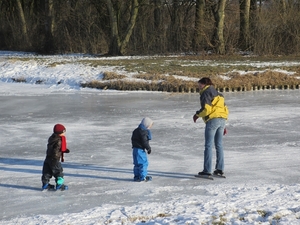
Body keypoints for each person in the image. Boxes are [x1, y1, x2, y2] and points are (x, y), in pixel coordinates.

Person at [193, 77, 229, 177]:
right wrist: (223, 125)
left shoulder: (206, 92)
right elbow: (225, 109)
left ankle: (207, 171)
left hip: (213, 120)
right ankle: (219, 169)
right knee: (219, 145)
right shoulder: (219, 94)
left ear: (205, 84)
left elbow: (207, 110)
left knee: (208, 145)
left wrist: (197, 114)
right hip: (222, 120)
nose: (199, 87)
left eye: (200, 85)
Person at [41, 124, 70, 190]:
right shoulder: (59, 140)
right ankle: (59, 185)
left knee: (47, 172)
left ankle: (45, 184)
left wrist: (64, 150)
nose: (64, 133)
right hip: (54, 159)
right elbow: (56, 150)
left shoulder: (52, 138)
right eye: (63, 132)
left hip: (48, 158)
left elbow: (54, 148)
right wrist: (55, 158)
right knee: (58, 171)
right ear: (60, 133)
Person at [131, 117, 154, 182]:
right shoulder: (143, 132)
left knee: (137, 164)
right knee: (143, 163)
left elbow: (133, 139)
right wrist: (148, 148)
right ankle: (142, 177)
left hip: (135, 149)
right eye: (149, 126)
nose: (150, 127)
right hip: (140, 150)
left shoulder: (136, 130)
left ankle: (137, 176)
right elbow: (145, 141)